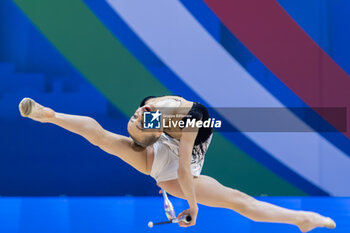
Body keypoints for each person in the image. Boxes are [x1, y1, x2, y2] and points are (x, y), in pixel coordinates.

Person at [18, 96, 336, 232]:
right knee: (106, 140)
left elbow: (184, 169)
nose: (137, 120)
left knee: (239, 201)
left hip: (180, 152)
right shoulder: (152, 108)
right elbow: (148, 134)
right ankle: (52, 116)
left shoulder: (185, 121)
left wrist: (193, 207)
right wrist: (191, 206)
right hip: (166, 152)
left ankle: (301, 219)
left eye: (141, 125)